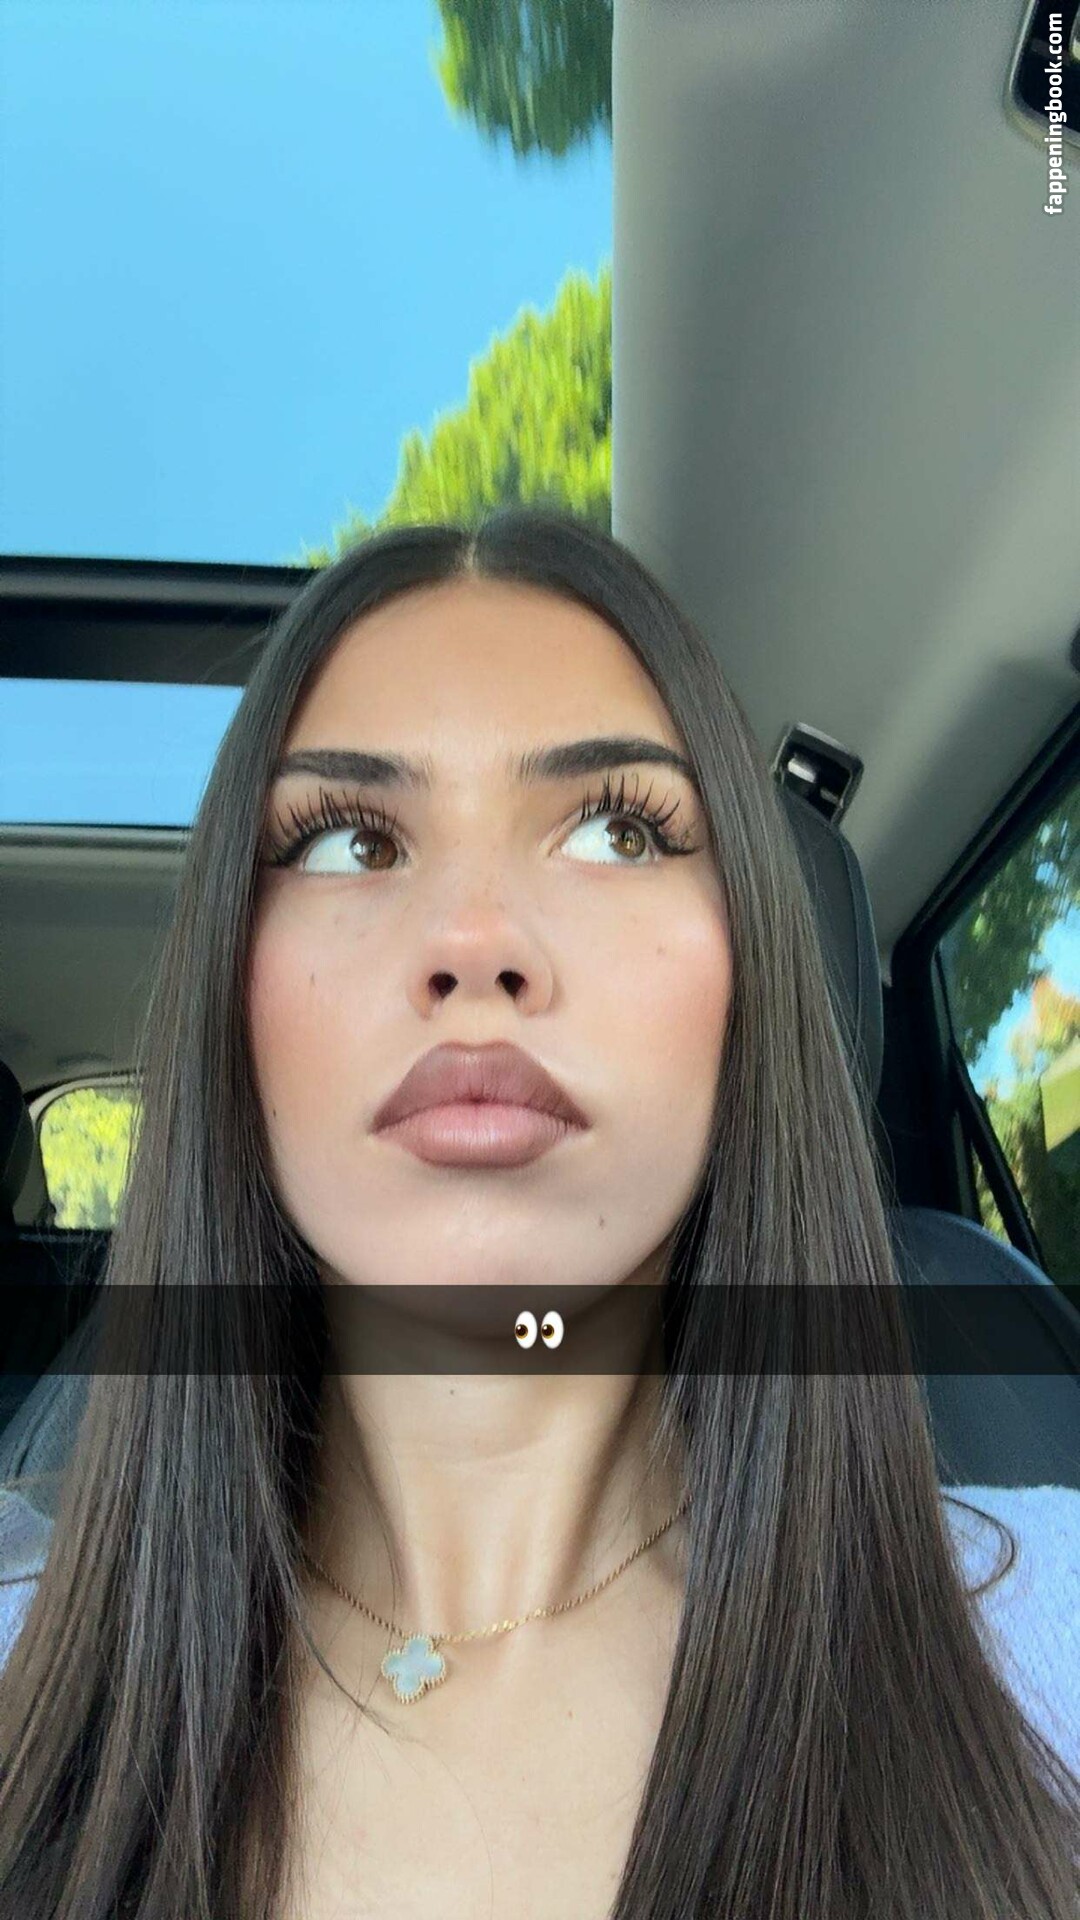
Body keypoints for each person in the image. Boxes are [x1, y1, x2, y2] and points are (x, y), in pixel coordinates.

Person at [0, 508, 1077, 1919]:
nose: (475, 943)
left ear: (752, 975)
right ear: (231, 1002)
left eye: (619, 831)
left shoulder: (1047, 1631)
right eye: (346, 842)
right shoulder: (26, 1659)